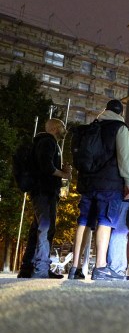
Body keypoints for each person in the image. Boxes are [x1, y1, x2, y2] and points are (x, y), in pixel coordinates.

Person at [70, 99, 129, 280]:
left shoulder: (92, 127)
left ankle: (75, 267)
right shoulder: (120, 128)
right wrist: (128, 182)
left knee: (84, 221)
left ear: (105, 110)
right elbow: (124, 158)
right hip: (109, 184)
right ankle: (100, 267)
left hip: (87, 182)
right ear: (121, 113)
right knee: (105, 221)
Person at [17, 119, 72, 279]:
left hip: (41, 191)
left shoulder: (44, 143)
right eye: (62, 126)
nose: (65, 129)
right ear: (54, 128)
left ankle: (27, 268)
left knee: (36, 229)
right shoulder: (48, 142)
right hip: (45, 191)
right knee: (46, 228)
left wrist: (62, 171)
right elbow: (46, 166)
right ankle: (41, 268)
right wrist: (63, 174)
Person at [106, 135, 129, 276]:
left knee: (119, 231)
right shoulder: (123, 158)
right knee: (120, 231)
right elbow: (125, 179)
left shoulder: (118, 157)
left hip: (120, 199)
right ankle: (117, 267)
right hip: (122, 200)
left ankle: (117, 266)